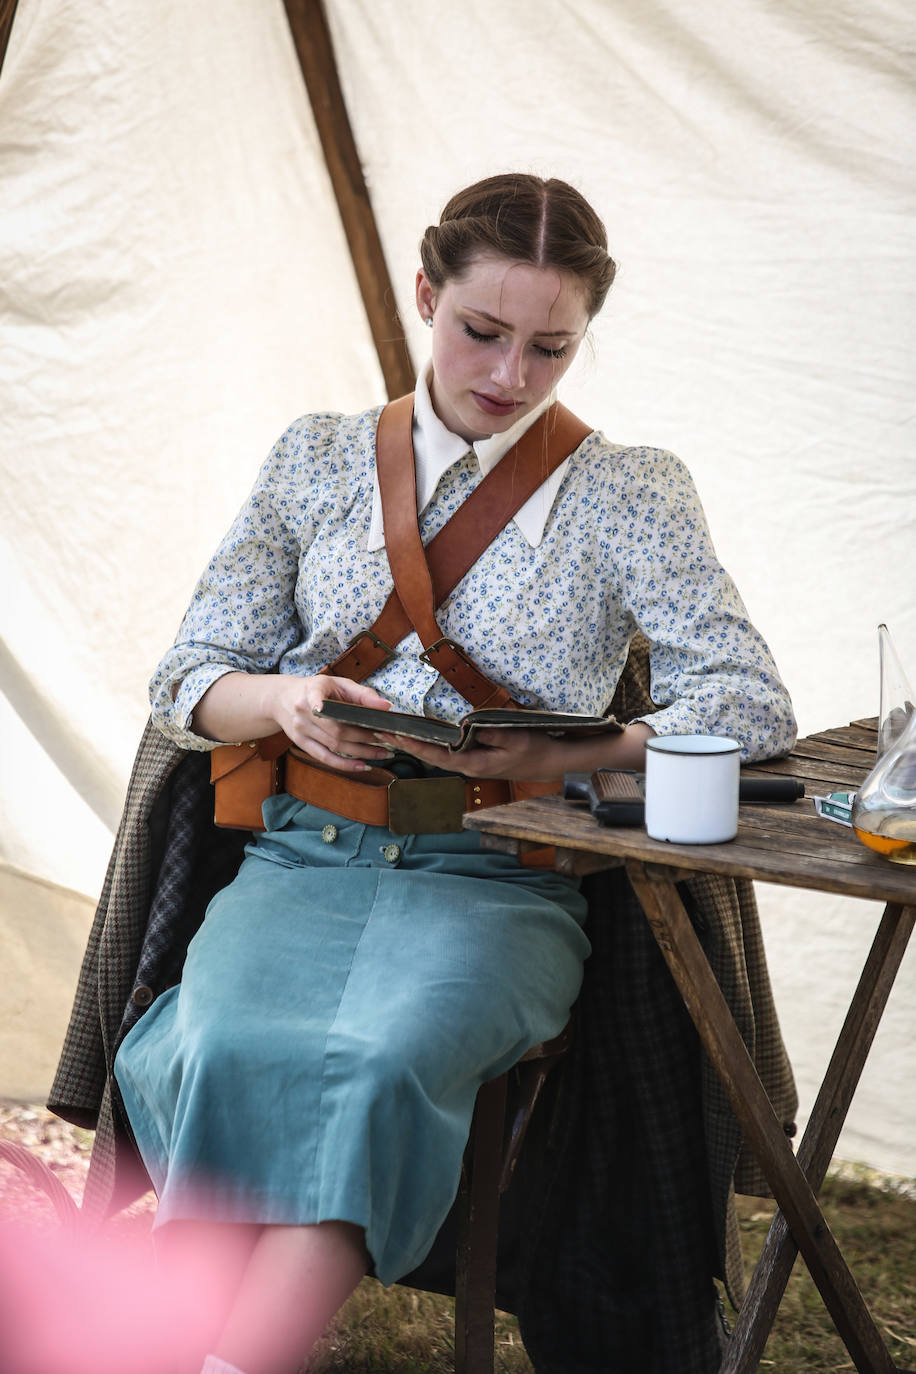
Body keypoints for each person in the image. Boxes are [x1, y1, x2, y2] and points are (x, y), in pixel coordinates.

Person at [113, 173, 797, 1374]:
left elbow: (749, 702)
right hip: (303, 859)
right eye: (483, 331)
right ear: (427, 295)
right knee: (216, 1051)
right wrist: (285, 702)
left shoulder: (629, 491)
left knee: (378, 1064)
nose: (511, 375)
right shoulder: (317, 457)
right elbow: (189, 674)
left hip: (499, 879)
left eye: (550, 348)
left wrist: (579, 752)